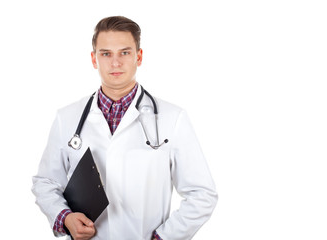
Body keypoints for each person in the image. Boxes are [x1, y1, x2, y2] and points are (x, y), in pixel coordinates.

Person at [32, 16, 218, 240]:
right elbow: (46, 182)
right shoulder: (67, 118)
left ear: (139, 57)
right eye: (106, 53)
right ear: (94, 59)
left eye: (125, 52)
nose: (115, 62)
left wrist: (163, 238)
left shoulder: (172, 118)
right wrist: (65, 217)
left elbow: (202, 194)